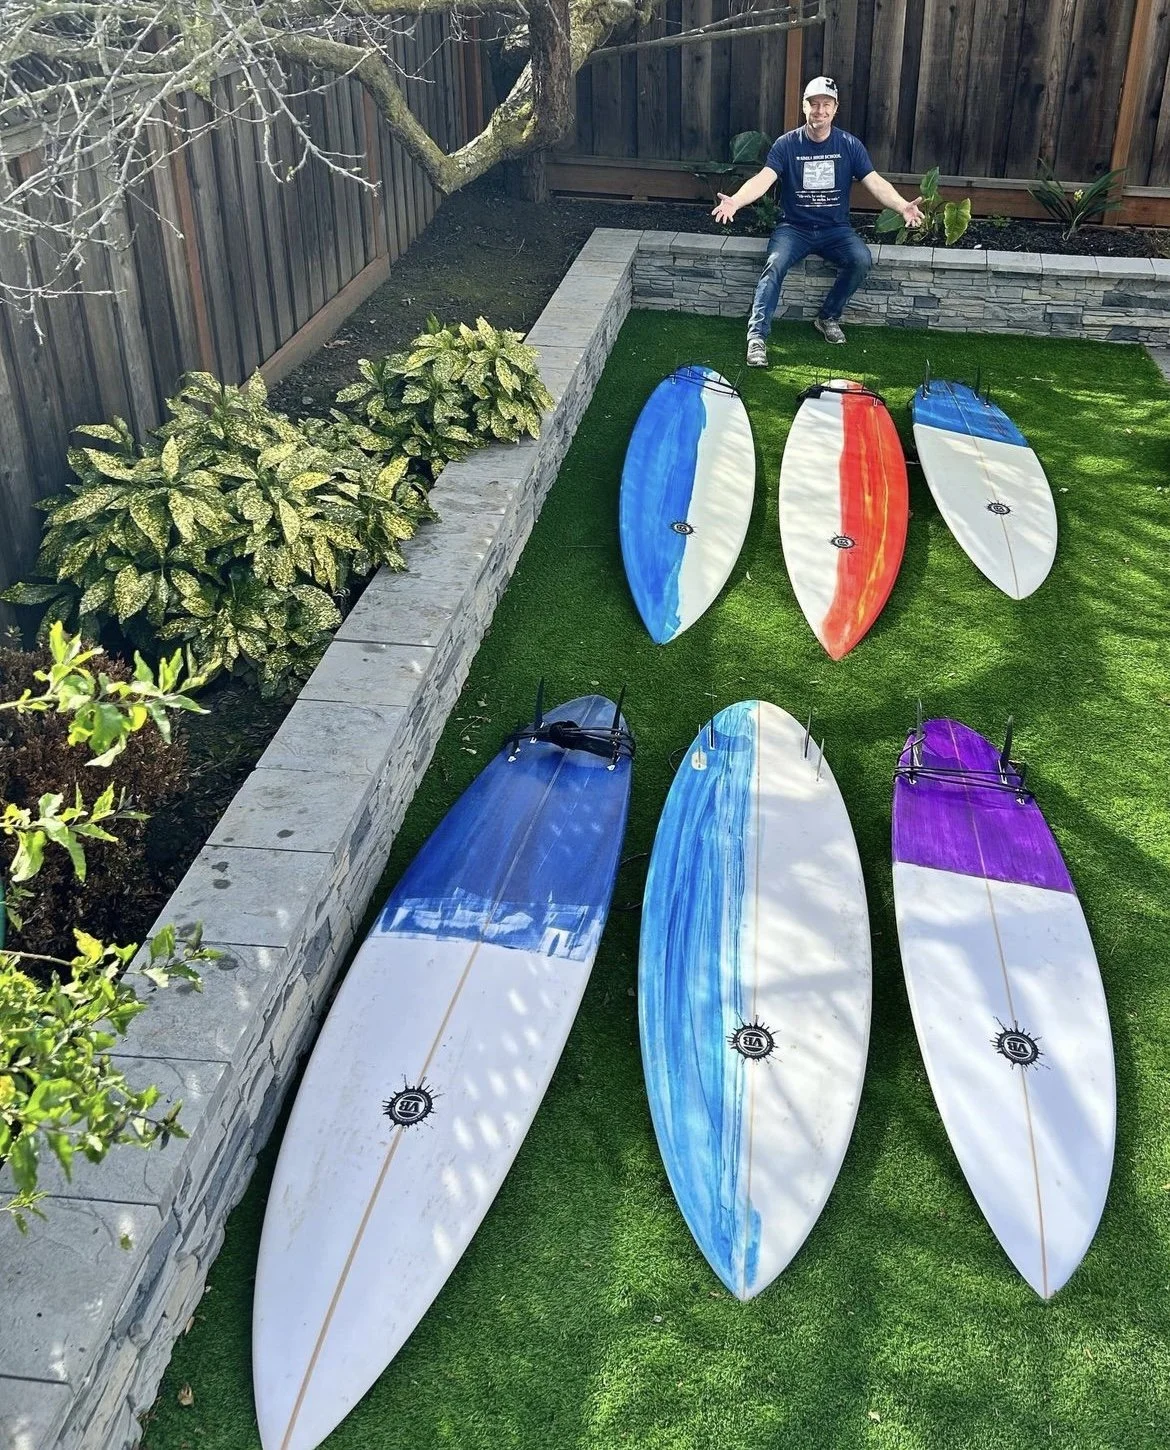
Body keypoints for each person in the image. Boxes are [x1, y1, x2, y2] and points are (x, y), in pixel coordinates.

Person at [712, 76, 925, 364]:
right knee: (774, 265)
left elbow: (874, 181)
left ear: (835, 109)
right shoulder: (786, 145)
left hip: (835, 229)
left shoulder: (849, 145)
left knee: (861, 259)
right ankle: (757, 337)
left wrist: (902, 206)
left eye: (826, 105)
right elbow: (764, 178)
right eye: (814, 104)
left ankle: (827, 317)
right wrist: (736, 200)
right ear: (805, 107)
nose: (820, 111)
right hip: (794, 228)